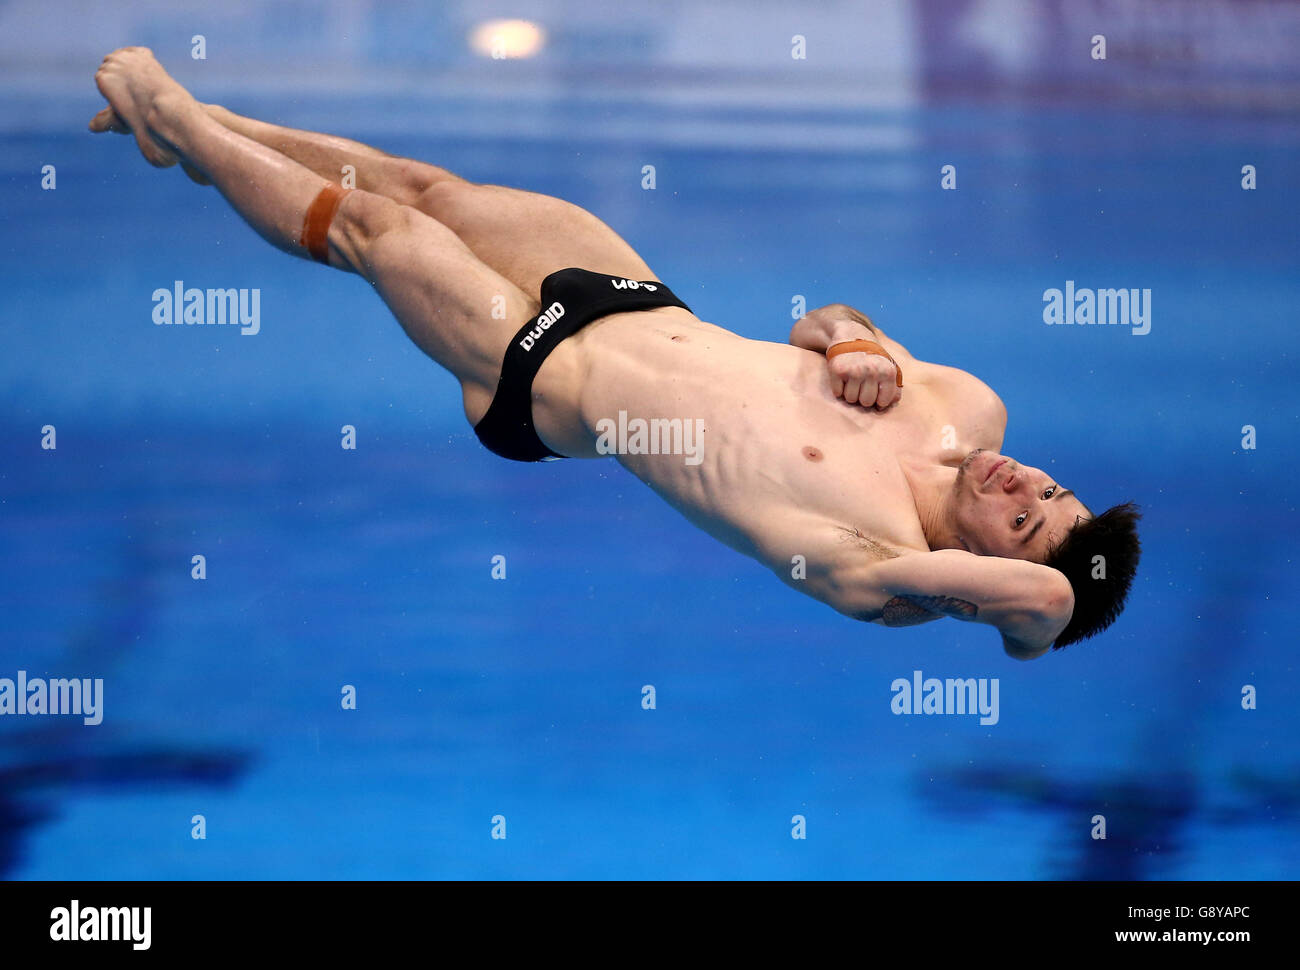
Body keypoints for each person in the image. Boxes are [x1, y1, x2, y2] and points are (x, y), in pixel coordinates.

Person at [89, 48, 1140, 660]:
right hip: (630, 291)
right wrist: (851, 335)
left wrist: (1028, 595)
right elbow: (820, 317)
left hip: (538, 380)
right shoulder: (963, 408)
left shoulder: (872, 573)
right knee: (419, 188)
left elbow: (1042, 607)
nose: (1024, 483)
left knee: (382, 237)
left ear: (984, 578)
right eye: (1053, 488)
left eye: (1023, 518)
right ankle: (210, 132)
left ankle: (177, 118)